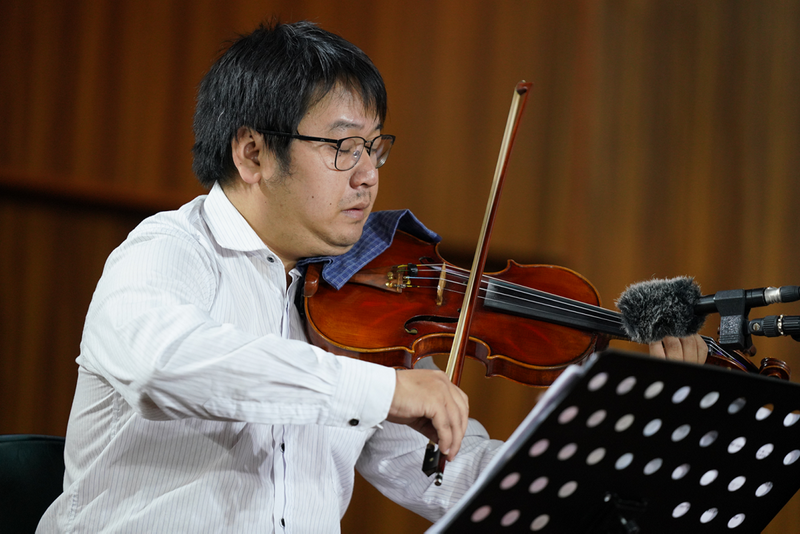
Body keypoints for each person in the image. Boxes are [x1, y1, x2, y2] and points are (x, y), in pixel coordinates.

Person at [37, 21, 706, 533]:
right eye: (342, 147)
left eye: (375, 146)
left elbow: (459, 478)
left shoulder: (346, 310)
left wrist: (640, 441)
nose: (368, 174)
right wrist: (382, 388)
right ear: (251, 153)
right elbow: (164, 365)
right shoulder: (167, 251)